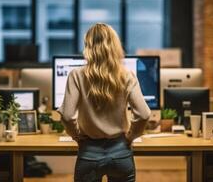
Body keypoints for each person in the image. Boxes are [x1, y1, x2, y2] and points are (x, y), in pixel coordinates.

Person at [57, 23, 151, 182]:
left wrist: (77, 135)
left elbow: (66, 116)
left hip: (89, 153)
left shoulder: (76, 75)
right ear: (115, 46)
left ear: (88, 46)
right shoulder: (127, 76)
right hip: (121, 153)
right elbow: (144, 114)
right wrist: (130, 137)